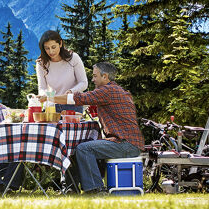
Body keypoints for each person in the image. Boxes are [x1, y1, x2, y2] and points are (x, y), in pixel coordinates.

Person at [37, 62, 144, 196]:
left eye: (95, 76)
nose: (92, 79)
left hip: (125, 144)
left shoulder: (107, 90)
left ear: (105, 77)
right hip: (128, 143)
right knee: (81, 147)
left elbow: (78, 98)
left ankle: (96, 189)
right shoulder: (115, 90)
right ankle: (73, 188)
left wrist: (49, 97)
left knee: (84, 148)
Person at [36, 30, 88, 113]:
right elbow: (42, 87)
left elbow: (83, 83)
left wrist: (71, 91)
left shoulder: (73, 58)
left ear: (60, 43)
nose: (51, 51)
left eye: (53, 47)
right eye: (47, 48)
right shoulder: (41, 63)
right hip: (52, 106)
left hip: (72, 105)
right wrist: (43, 95)